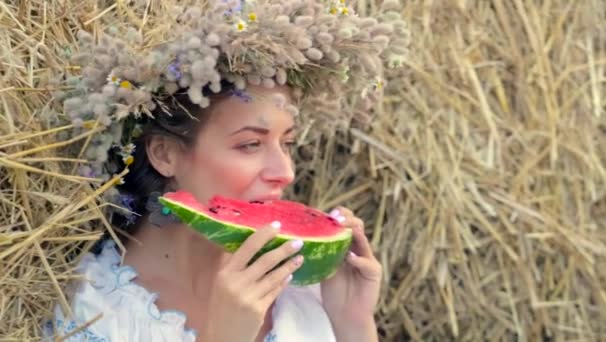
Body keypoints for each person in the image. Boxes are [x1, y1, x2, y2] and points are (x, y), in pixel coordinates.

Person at [42, 1, 408, 340]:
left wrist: (353, 324)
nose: (286, 172)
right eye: (250, 144)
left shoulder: (308, 293)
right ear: (165, 154)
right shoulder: (93, 313)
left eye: (288, 143)